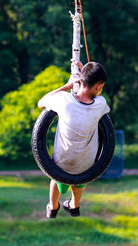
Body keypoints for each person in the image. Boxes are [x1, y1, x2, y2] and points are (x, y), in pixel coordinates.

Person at [38, 61, 110, 218]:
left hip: (61, 163)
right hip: (86, 166)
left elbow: (41, 103)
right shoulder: (100, 104)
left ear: (81, 80)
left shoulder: (63, 100)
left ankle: (53, 206)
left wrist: (68, 85)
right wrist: (88, 73)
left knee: (56, 178)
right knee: (79, 180)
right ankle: (74, 206)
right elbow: (98, 96)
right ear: (98, 87)